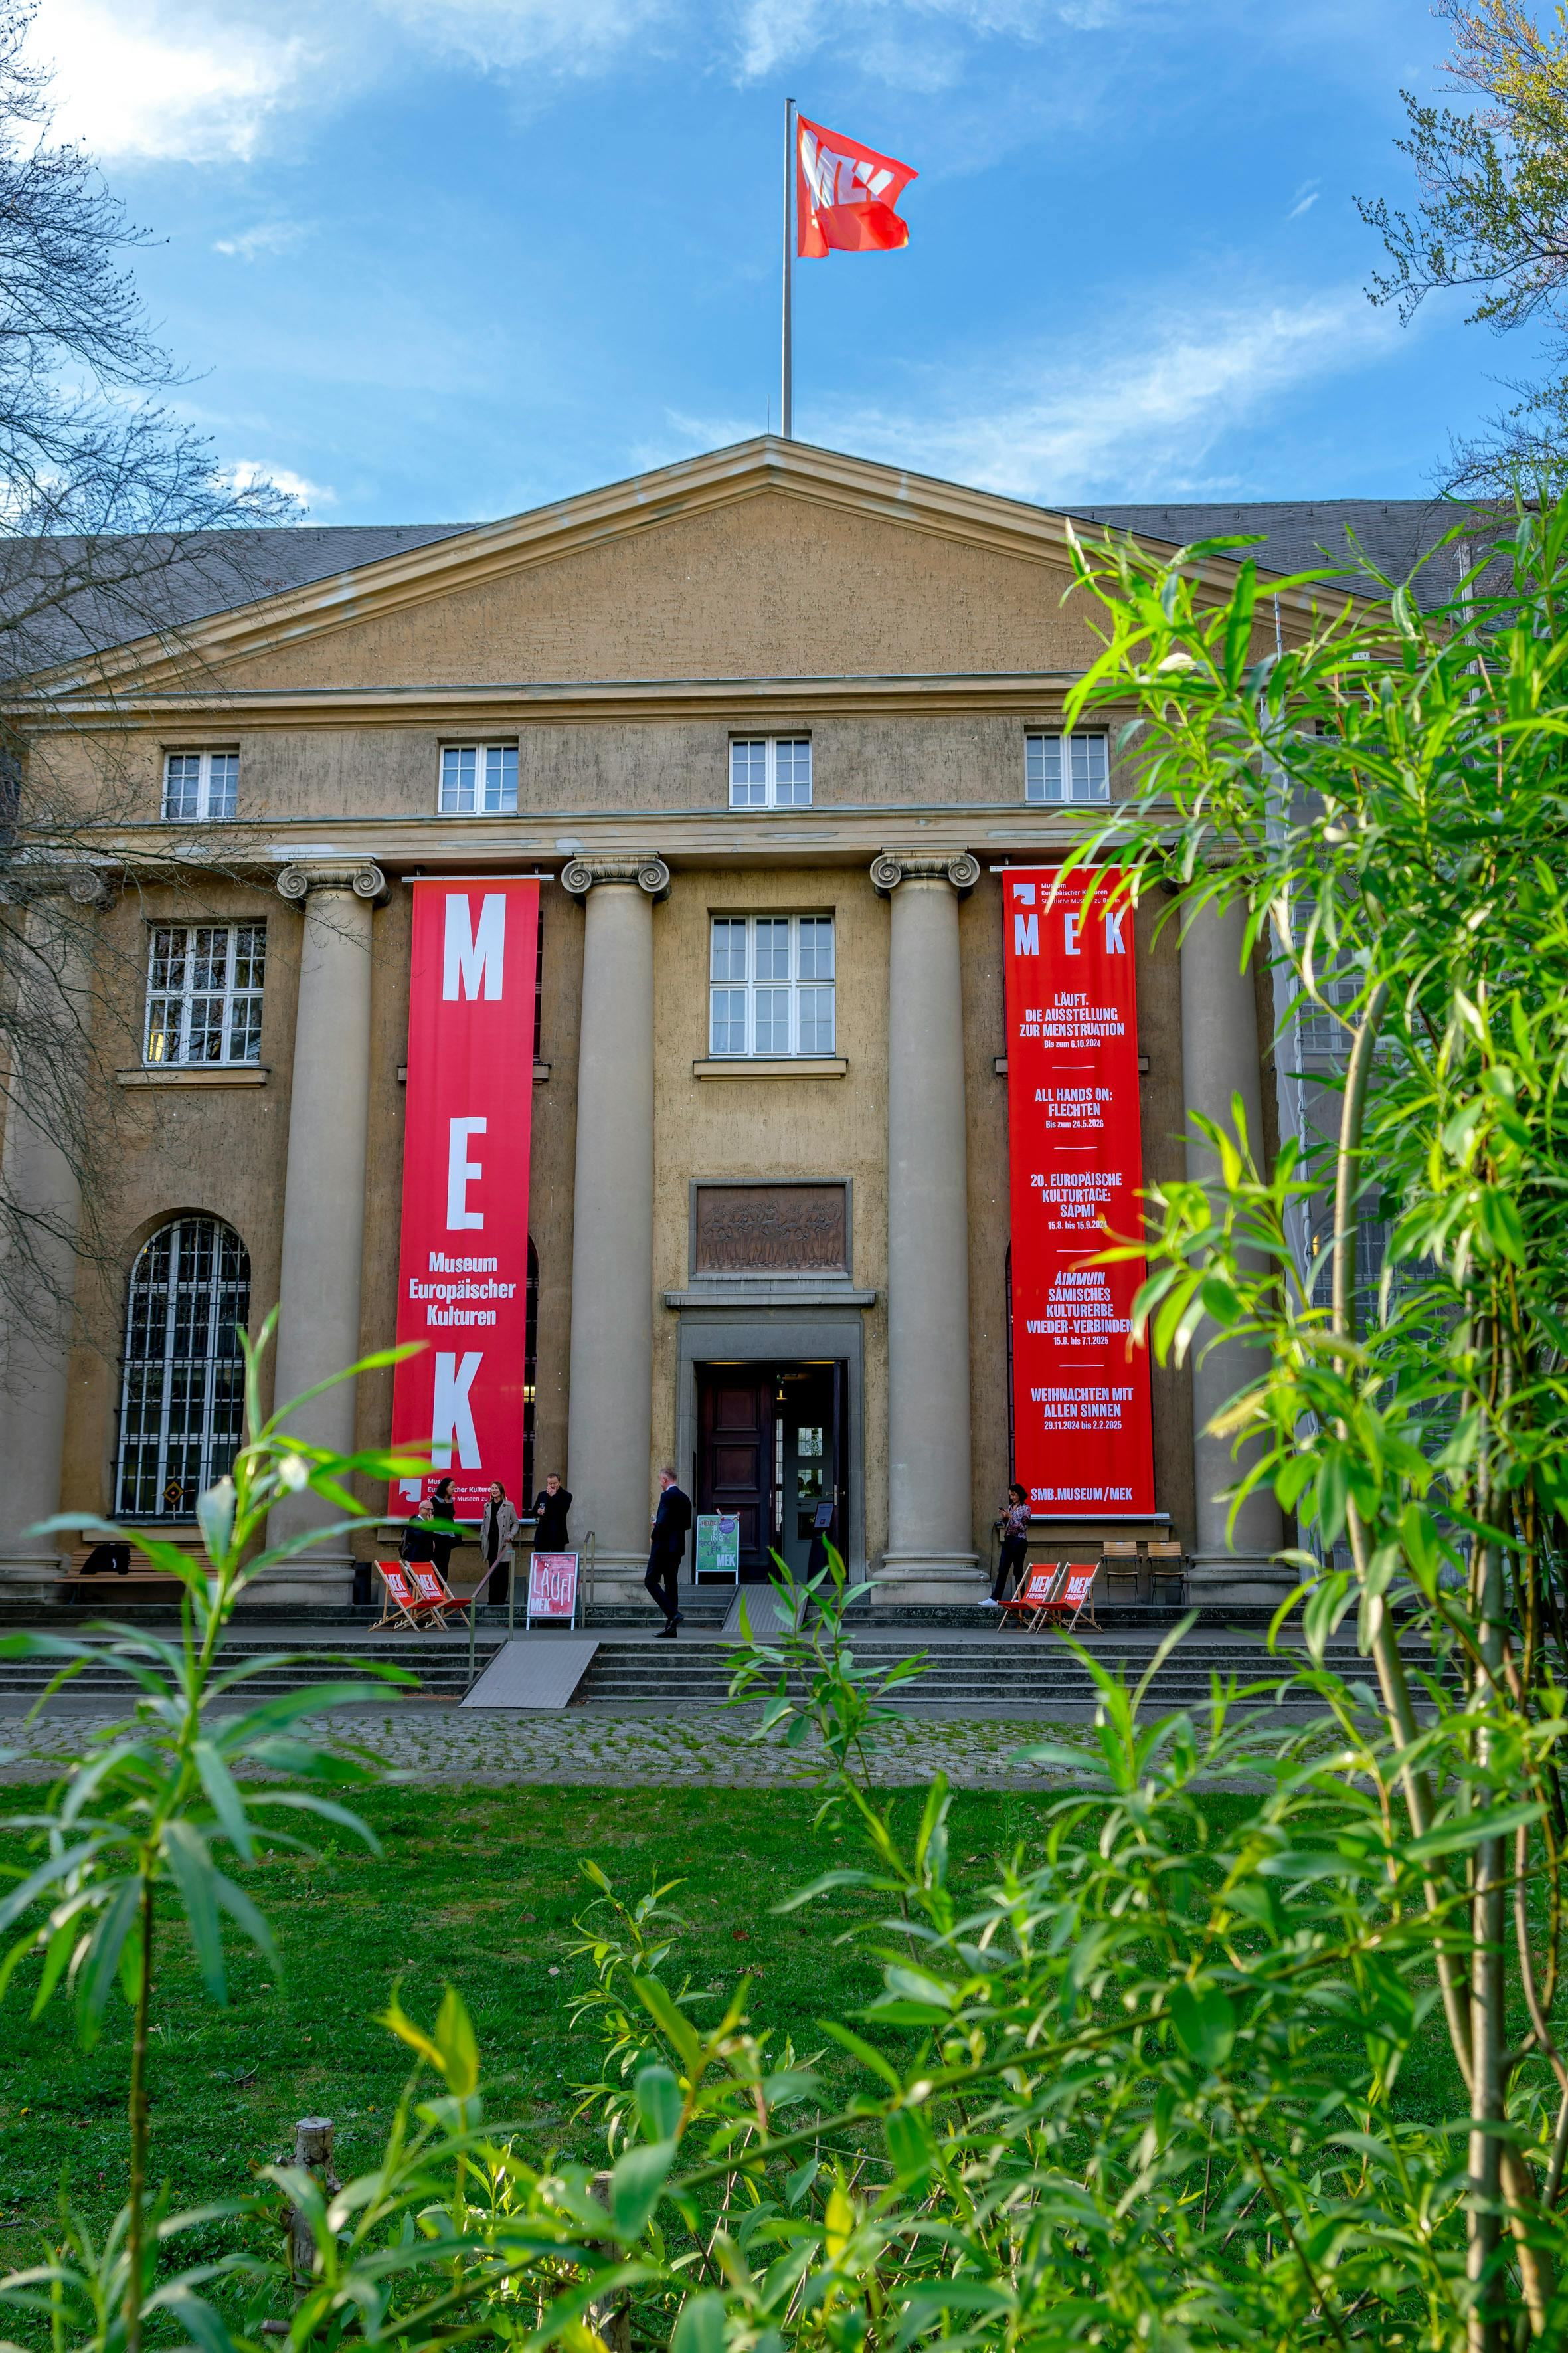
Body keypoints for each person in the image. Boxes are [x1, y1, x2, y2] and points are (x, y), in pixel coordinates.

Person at [644, 1464, 692, 1638]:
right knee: (671, 1584)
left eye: (660, 1480)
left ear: (665, 1479)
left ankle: (673, 1614)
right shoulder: (685, 1498)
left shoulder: (667, 1496)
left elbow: (663, 1521)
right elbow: (687, 1524)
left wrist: (654, 1534)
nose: (660, 1483)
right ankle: (672, 1628)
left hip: (663, 1546)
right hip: (677, 1547)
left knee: (650, 1581)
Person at [988, 1483, 1031, 1607]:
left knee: (1018, 1571)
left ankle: (1020, 1597)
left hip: (1019, 1541)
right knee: (1002, 1570)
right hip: (1008, 1540)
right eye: (1010, 1495)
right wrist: (1005, 1518)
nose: (1012, 1497)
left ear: (1020, 1495)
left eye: (1014, 1495)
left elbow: (1023, 1526)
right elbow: (1007, 1526)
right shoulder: (1011, 1507)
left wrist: (1011, 1517)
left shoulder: (1026, 1508)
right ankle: (995, 1598)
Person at [480, 1480, 519, 1604]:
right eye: (492, 1488)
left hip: (503, 1544)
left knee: (503, 1573)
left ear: (501, 1490)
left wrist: (511, 1536)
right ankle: (493, 1600)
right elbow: (484, 1523)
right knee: (493, 1572)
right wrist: (482, 1535)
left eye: (496, 1488)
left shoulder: (509, 1506)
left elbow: (516, 1523)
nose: (494, 1490)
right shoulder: (487, 1506)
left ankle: (501, 1600)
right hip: (491, 1544)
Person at [530, 1473, 572, 1553]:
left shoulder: (567, 1495)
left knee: (557, 1561)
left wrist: (554, 1496)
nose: (552, 1486)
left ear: (559, 1483)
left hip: (558, 1534)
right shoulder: (542, 1495)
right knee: (541, 1560)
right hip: (543, 1534)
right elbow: (533, 1513)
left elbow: (564, 1510)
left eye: (555, 1483)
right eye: (550, 1483)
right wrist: (537, 1511)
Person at [429, 1476, 461, 1582]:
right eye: (452, 1487)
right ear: (445, 1487)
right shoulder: (434, 1501)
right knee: (436, 1564)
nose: (454, 1489)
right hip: (438, 1537)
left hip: (448, 1537)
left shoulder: (451, 1501)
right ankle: (435, 1590)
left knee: (445, 1564)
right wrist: (431, 1538)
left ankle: (443, 1589)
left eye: (454, 1487)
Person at [399, 1499, 438, 1567]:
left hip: (426, 1560)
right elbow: (419, 1537)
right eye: (428, 1509)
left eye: (432, 1510)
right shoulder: (415, 1521)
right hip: (416, 1559)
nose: (430, 1512)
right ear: (420, 1509)